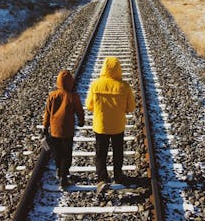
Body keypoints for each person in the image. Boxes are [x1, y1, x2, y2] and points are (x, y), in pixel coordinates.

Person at [85, 57, 136, 193]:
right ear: (119, 69)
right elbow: (131, 107)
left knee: (101, 153)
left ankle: (102, 179)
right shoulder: (124, 86)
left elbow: (89, 106)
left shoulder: (95, 85)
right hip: (118, 126)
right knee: (118, 152)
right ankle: (118, 176)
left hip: (101, 126)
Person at [43, 69, 85, 187]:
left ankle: (58, 169)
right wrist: (81, 120)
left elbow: (47, 112)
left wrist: (45, 126)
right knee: (67, 154)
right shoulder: (73, 96)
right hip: (67, 131)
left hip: (55, 131)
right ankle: (63, 175)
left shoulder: (52, 95)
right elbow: (79, 110)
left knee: (57, 153)